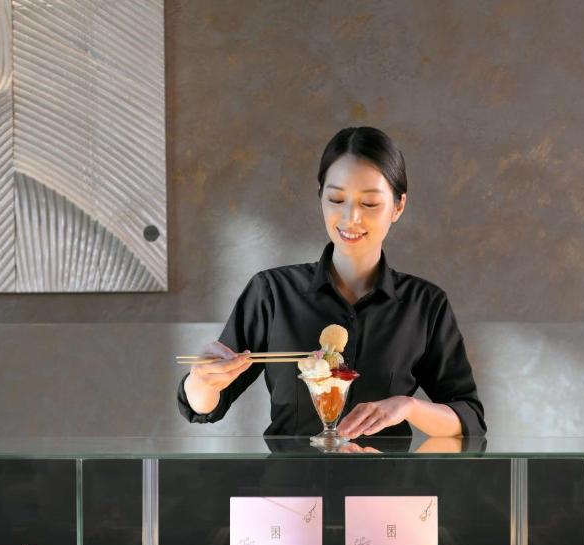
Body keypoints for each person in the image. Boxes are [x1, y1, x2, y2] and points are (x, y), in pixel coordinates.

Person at [178, 126, 485, 439]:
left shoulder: (425, 304)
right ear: (320, 196)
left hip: (384, 483)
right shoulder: (271, 292)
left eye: (369, 204)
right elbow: (206, 408)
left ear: (398, 206)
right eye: (336, 199)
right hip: (292, 483)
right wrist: (201, 381)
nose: (350, 218)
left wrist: (407, 406)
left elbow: (469, 419)